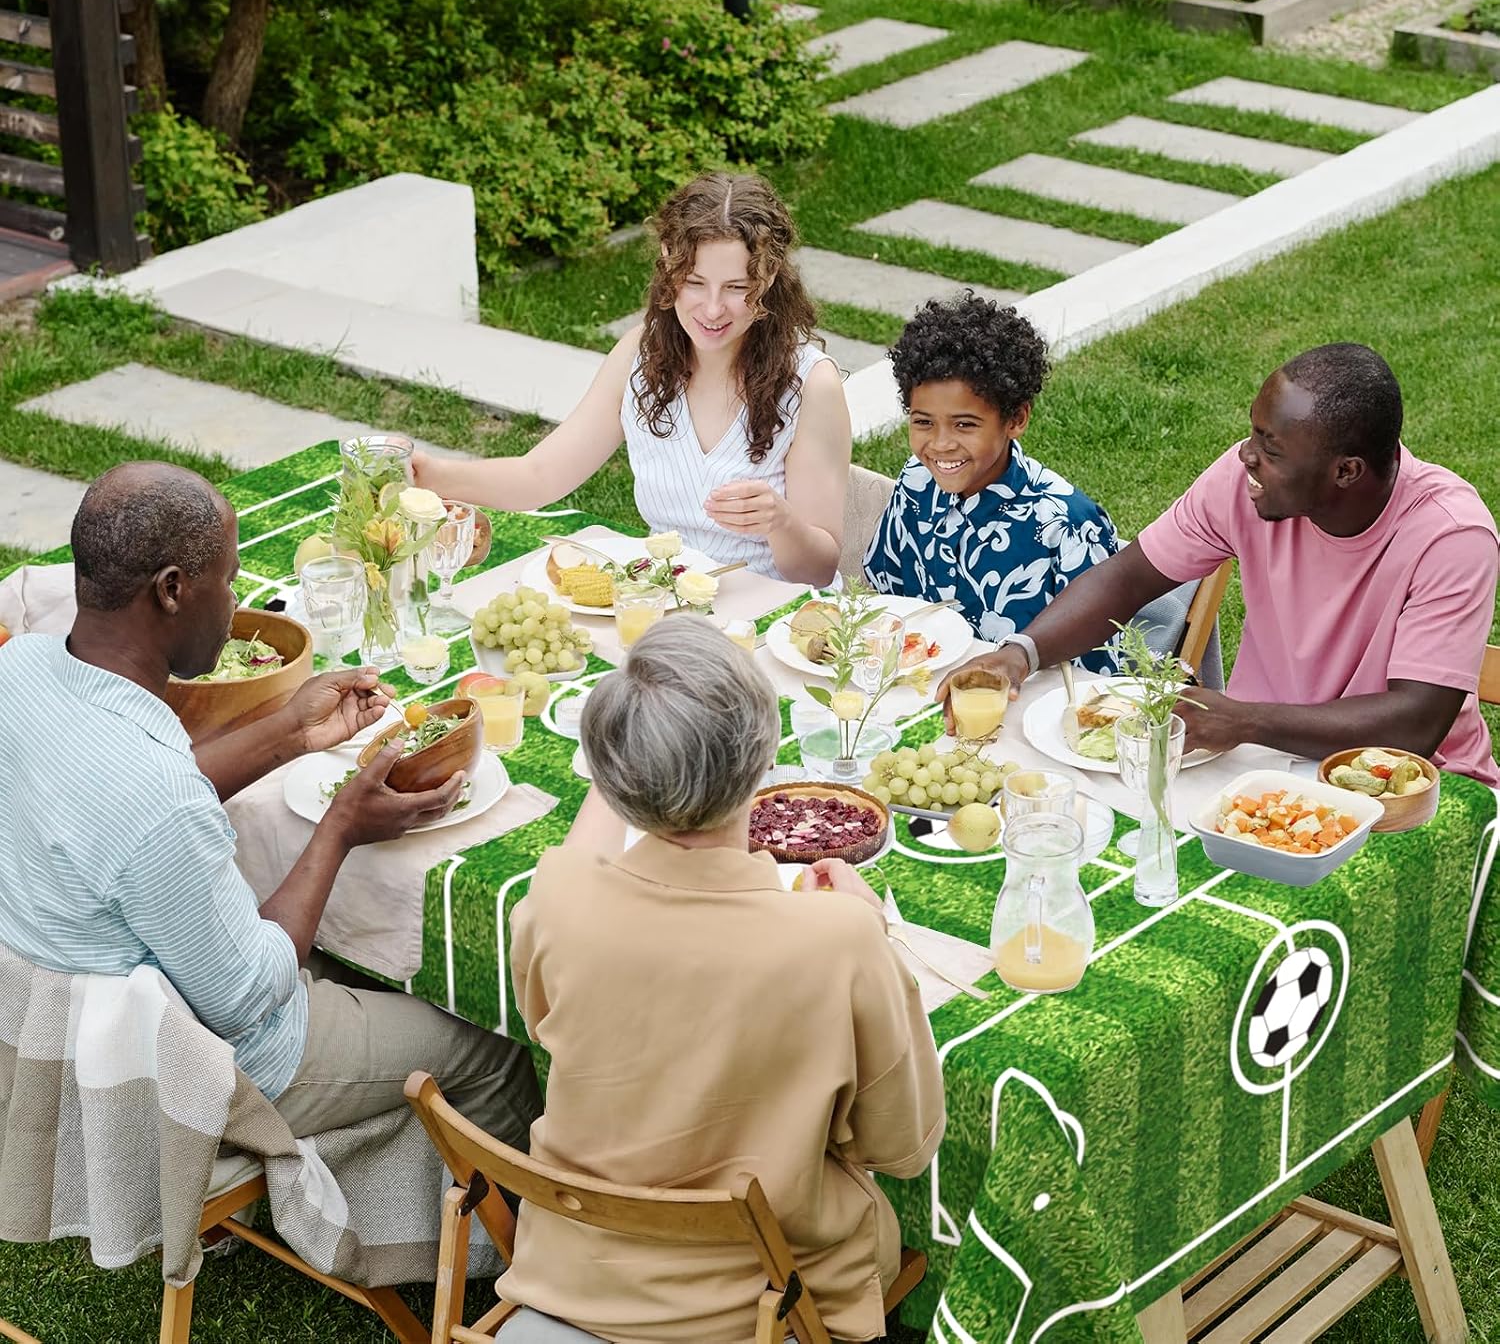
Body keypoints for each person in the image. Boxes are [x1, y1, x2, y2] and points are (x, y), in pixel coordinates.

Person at [0, 463, 541, 1143]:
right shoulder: (158, 801)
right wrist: (341, 828)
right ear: (171, 590)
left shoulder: (20, 669)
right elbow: (249, 997)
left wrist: (292, 732)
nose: (232, 604)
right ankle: (506, 1246)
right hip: (201, 1060)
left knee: (360, 950)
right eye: (227, 579)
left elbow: (126, 801)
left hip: (71, 1005)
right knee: (491, 1046)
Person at [498, 617, 945, 1343]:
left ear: (610, 778)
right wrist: (878, 938)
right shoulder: (838, 940)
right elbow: (904, 1147)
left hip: (573, 1268)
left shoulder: (554, 894)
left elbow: (547, 1024)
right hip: (762, 1297)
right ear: (762, 757)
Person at [940, 344, 1500, 783]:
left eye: (1271, 449)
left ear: (1346, 472)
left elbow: (1415, 724)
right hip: (1261, 763)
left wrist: (1245, 719)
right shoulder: (1244, 484)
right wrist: (1019, 654)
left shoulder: (1451, 536)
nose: (1245, 456)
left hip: (1410, 788)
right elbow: (1127, 577)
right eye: (1254, 432)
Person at [411, 172, 851, 587]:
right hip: (657, 607)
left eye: (737, 288)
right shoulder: (640, 356)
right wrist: (432, 475)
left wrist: (780, 522)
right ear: (668, 265)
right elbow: (538, 476)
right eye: (695, 282)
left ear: (769, 277)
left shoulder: (810, 384)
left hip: (764, 623)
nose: (713, 309)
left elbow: (817, 570)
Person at [863, 293, 1121, 672]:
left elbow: (1097, 674)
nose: (940, 444)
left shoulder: (1068, 526)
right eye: (923, 422)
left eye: (965, 424)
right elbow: (887, 599)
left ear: (1016, 419)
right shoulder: (916, 481)